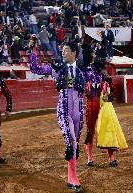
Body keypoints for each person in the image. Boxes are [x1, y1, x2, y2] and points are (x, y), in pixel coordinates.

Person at [28, 42, 97, 192]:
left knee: (75, 142)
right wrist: (32, 52)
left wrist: (93, 58)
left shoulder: (84, 69)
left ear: (74, 53)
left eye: (66, 51)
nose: (63, 53)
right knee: (70, 140)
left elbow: (97, 80)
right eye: (62, 51)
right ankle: (74, 177)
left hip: (78, 108)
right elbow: (35, 68)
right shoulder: (57, 68)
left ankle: (70, 177)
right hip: (64, 107)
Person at [96, 75, 128, 166]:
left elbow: (104, 98)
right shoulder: (106, 85)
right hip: (108, 109)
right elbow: (106, 98)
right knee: (111, 131)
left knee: (107, 131)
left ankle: (110, 157)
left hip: (103, 110)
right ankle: (111, 158)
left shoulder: (101, 85)